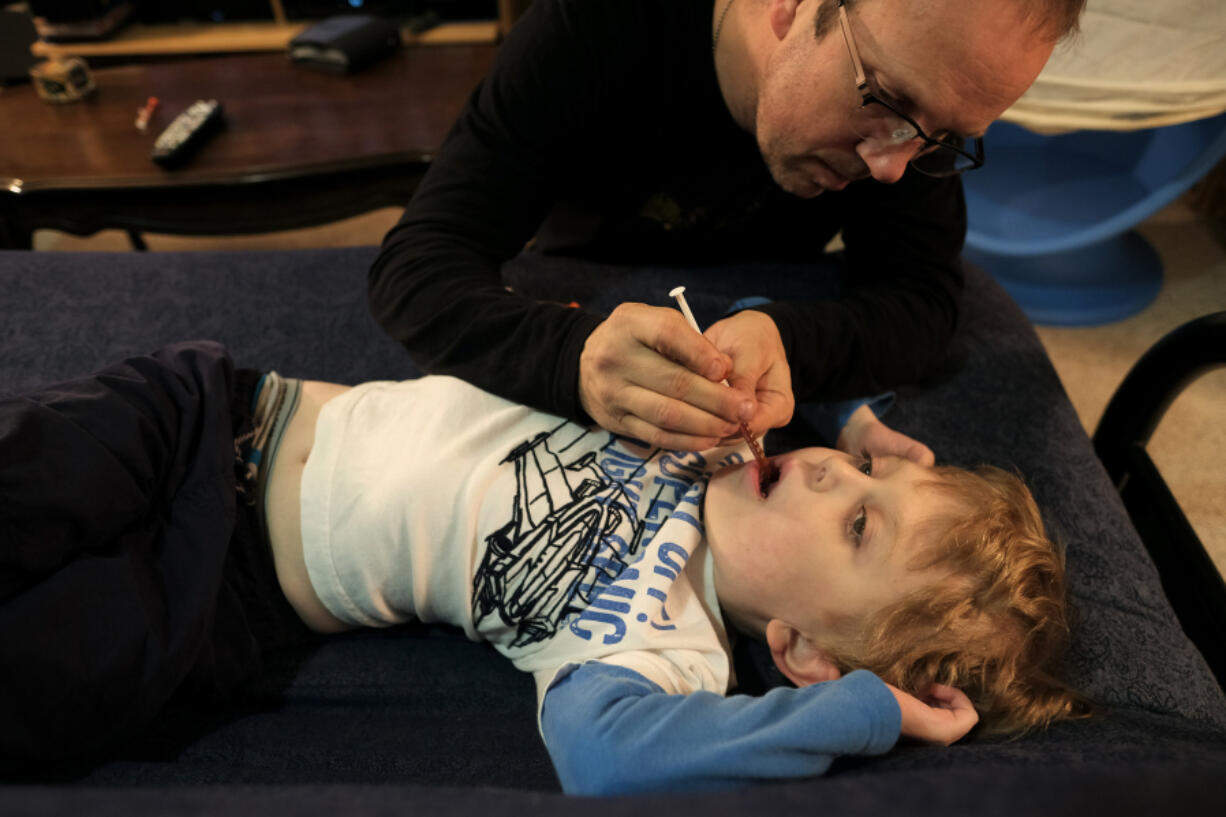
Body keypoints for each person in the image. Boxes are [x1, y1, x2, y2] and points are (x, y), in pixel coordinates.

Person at [1, 342, 1086, 792]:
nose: (820, 476)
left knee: (58, 675)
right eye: (856, 476)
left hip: (229, 587)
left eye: (857, 528)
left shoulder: (665, 647)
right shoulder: (716, 433)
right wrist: (852, 417)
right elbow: (761, 346)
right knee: (29, 486)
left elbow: (605, 766)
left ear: (798, 650)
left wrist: (864, 710)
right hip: (217, 412)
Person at [368, 0, 1085, 456]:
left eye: (947, 136)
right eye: (886, 100)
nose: (895, 168)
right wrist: (575, 360)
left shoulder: (910, 112)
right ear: (792, 6)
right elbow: (417, 266)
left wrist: (786, 339)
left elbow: (922, 297)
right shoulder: (588, 30)